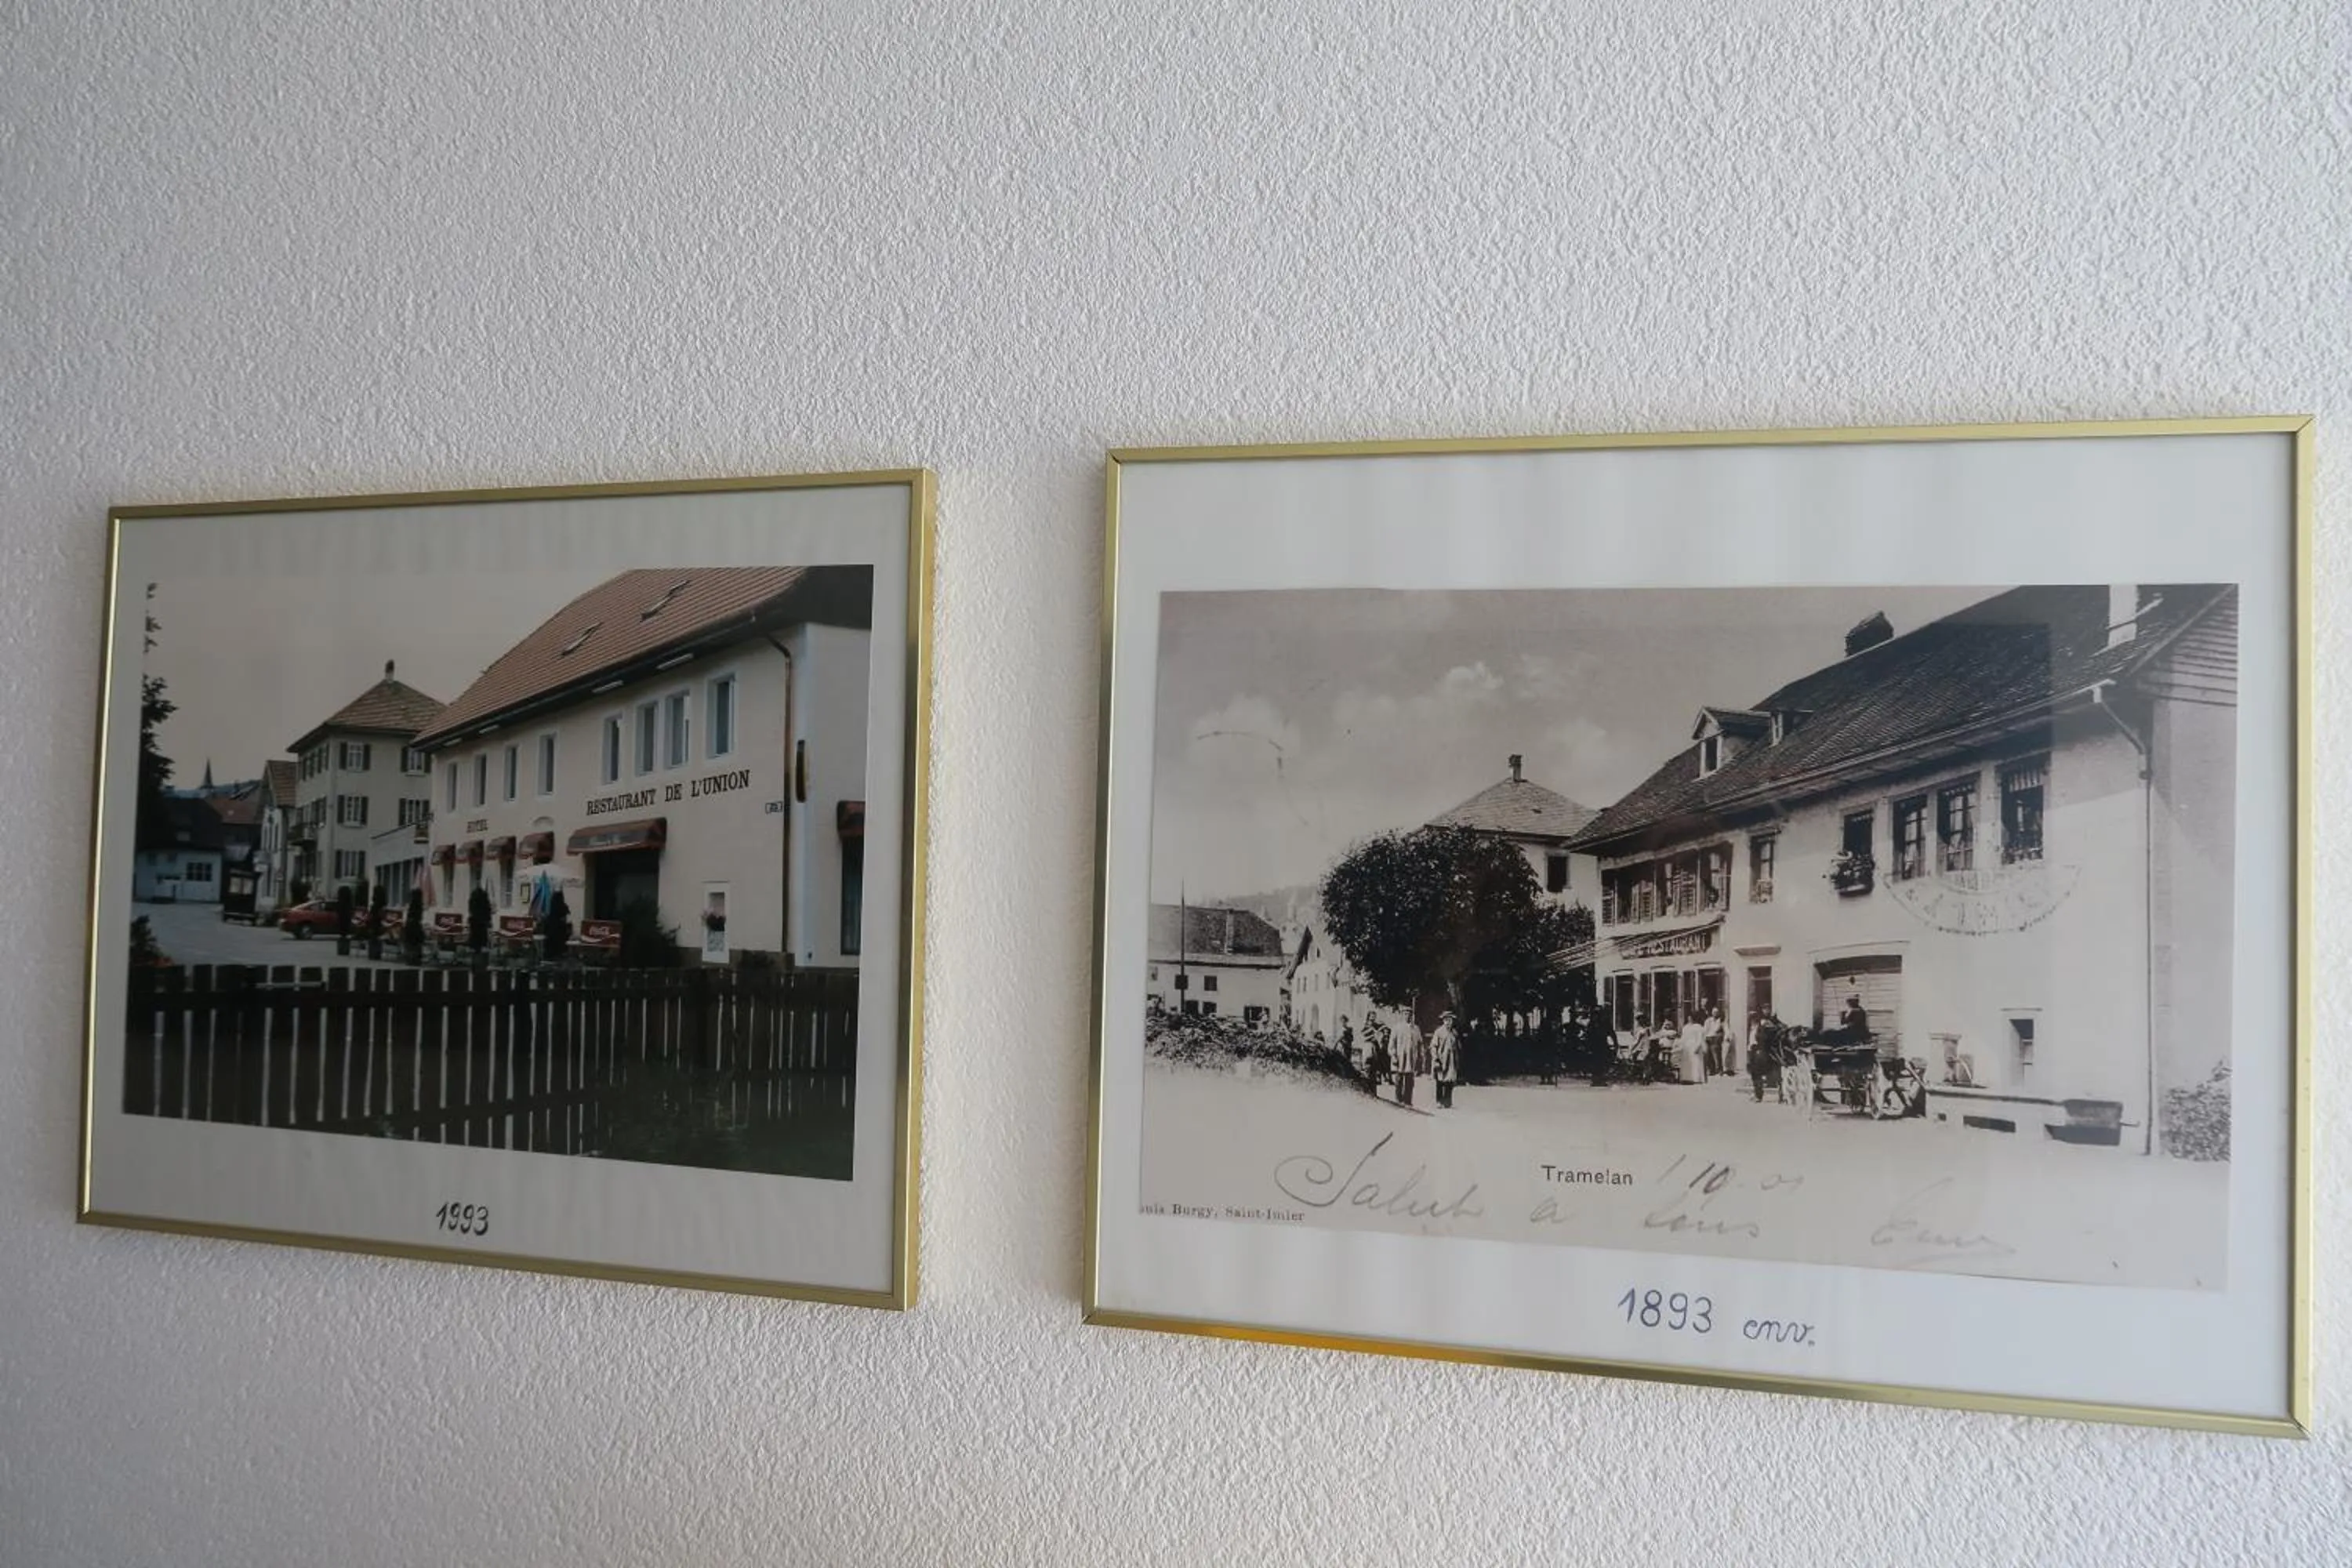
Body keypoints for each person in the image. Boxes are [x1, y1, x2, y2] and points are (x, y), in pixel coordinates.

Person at [1430, 1011, 1461, 1109]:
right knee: (1440, 1081)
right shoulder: (1438, 1032)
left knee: (1449, 1081)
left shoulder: (1454, 1033)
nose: (1448, 1022)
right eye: (1446, 1020)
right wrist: (1436, 1059)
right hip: (1442, 1060)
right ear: (1443, 1021)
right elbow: (1433, 1046)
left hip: (1451, 1060)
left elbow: (1458, 1046)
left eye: (1450, 1020)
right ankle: (1439, 1101)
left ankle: (1448, 1102)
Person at [1396, 1015, 1428, 1108]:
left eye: (1409, 1014)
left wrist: (1421, 1055)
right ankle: (1398, 1098)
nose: (1407, 1016)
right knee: (1399, 1078)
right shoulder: (1398, 1027)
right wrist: (1394, 1055)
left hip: (1412, 1057)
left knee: (1410, 1079)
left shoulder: (1416, 1029)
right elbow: (1392, 1043)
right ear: (1403, 1015)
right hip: (1401, 1057)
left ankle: (1408, 1100)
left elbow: (1420, 1043)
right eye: (1405, 1014)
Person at [1678, 1007, 1709, 1084]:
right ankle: (1686, 1078)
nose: (1690, 1019)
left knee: (1696, 1063)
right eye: (1689, 1017)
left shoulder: (1699, 1027)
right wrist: (1681, 1045)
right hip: (1687, 1047)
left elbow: (1700, 1038)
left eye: (1691, 1017)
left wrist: (1698, 1047)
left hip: (1695, 1046)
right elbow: (1683, 1038)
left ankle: (1696, 1078)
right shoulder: (1686, 1027)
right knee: (1687, 1063)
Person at [1703, 1004, 1727, 1077]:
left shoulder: (1721, 1021)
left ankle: (1719, 1070)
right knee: (1708, 1055)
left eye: (1716, 1012)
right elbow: (1705, 1030)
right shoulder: (1708, 1021)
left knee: (1716, 1055)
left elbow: (1725, 1029)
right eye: (1714, 1012)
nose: (1715, 1014)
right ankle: (1711, 1070)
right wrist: (1705, 1038)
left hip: (1715, 1039)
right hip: (1708, 1038)